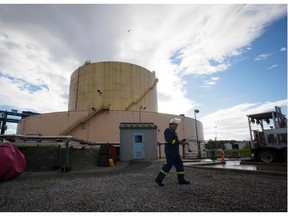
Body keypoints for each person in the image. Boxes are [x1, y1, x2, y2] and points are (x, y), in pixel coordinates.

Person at [155, 118, 190, 186]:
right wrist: (179, 142)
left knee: (180, 166)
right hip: (170, 152)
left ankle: (181, 180)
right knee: (168, 166)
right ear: (171, 124)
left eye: (177, 125)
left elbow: (174, 141)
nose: (177, 126)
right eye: (175, 125)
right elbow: (170, 140)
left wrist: (180, 142)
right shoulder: (168, 130)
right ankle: (159, 179)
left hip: (175, 152)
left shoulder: (174, 132)